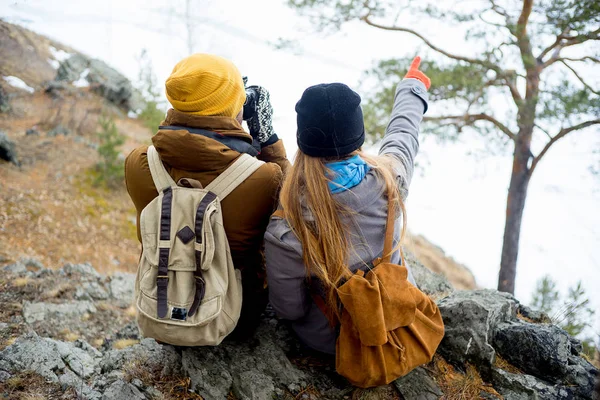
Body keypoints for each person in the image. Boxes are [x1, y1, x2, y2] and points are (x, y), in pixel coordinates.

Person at [264, 57, 430, 354]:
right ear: (358, 135)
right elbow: (404, 137)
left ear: (304, 141)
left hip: (335, 343)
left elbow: (290, 309)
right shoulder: (390, 178)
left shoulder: (288, 227)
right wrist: (413, 87)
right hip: (400, 317)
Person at [125, 53, 289, 336]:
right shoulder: (264, 176)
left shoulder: (139, 163)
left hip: (159, 306)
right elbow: (295, 201)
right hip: (234, 316)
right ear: (232, 108)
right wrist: (267, 136)